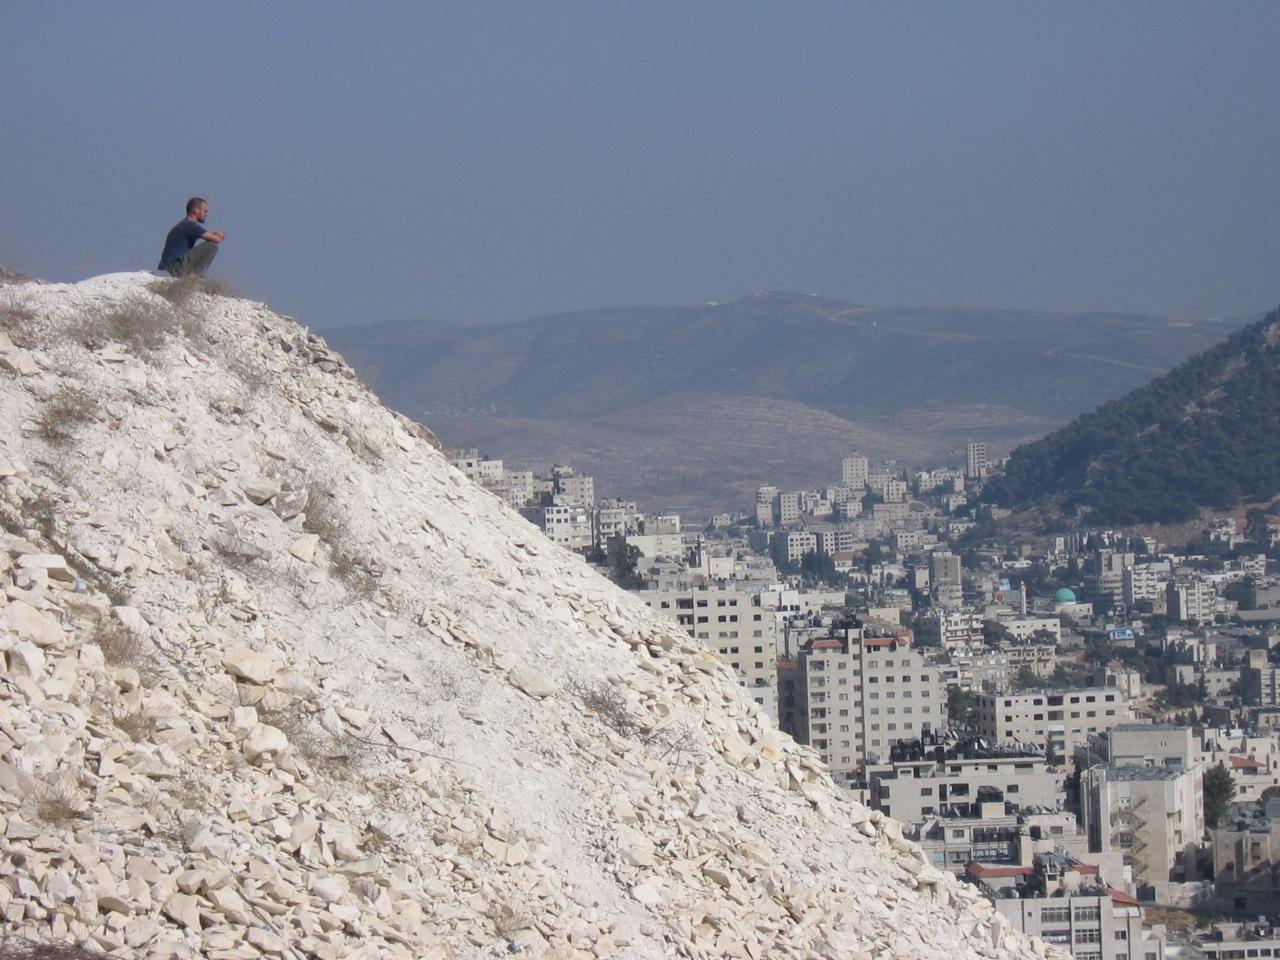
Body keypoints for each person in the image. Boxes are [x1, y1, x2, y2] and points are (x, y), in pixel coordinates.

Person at [157, 197, 225, 277]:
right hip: (176, 266)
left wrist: (213, 234)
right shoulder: (190, 226)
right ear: (196, 210)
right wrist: (219, 235)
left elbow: (205, 234)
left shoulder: (185, 225)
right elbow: (216, 239)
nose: (206, 215)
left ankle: (192, 276)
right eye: (205, 211)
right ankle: (195, 276)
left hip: (171, 266)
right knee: (211, 246)